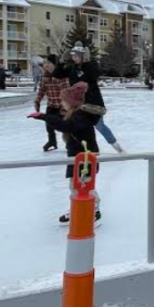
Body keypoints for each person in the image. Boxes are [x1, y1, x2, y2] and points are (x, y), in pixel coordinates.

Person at [29, 82, 101, 224]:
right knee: (76, 186)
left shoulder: (80, 116)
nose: (61, 103)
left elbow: (65, 126)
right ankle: (78, 208)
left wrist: (44, 116)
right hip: (77, 158)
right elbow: (63, 123)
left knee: (84, 186)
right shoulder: (75, 114)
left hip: (85, 159)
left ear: (72, 102)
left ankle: (94, 211)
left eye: (63, 100)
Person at [52, 43, 124, 153]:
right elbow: (57, 74)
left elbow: (95, 74)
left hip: (92, 103)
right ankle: (76, 147)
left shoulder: (90, 67)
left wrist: (88, 62)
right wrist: (61, 62)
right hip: (77, 104)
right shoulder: (72, 69)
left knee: (100, 126)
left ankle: (117, 146)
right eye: (73, 56)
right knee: (76, 126)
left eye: (77, 56)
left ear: (82, 56)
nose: (74, 58)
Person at [34, 55, 67, 152]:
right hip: (51, 104)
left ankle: (71, 142)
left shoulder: (61, 75)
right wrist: (37, 101)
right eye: (45, 63)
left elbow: (66, 91)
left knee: (65, 126)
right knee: (49, 125)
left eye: (49, 63)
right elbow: (42, 89)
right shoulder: (45, 75)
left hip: (62, 105)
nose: (46, 65)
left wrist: (66, 106)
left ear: (54, 64)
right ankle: (52, 141)